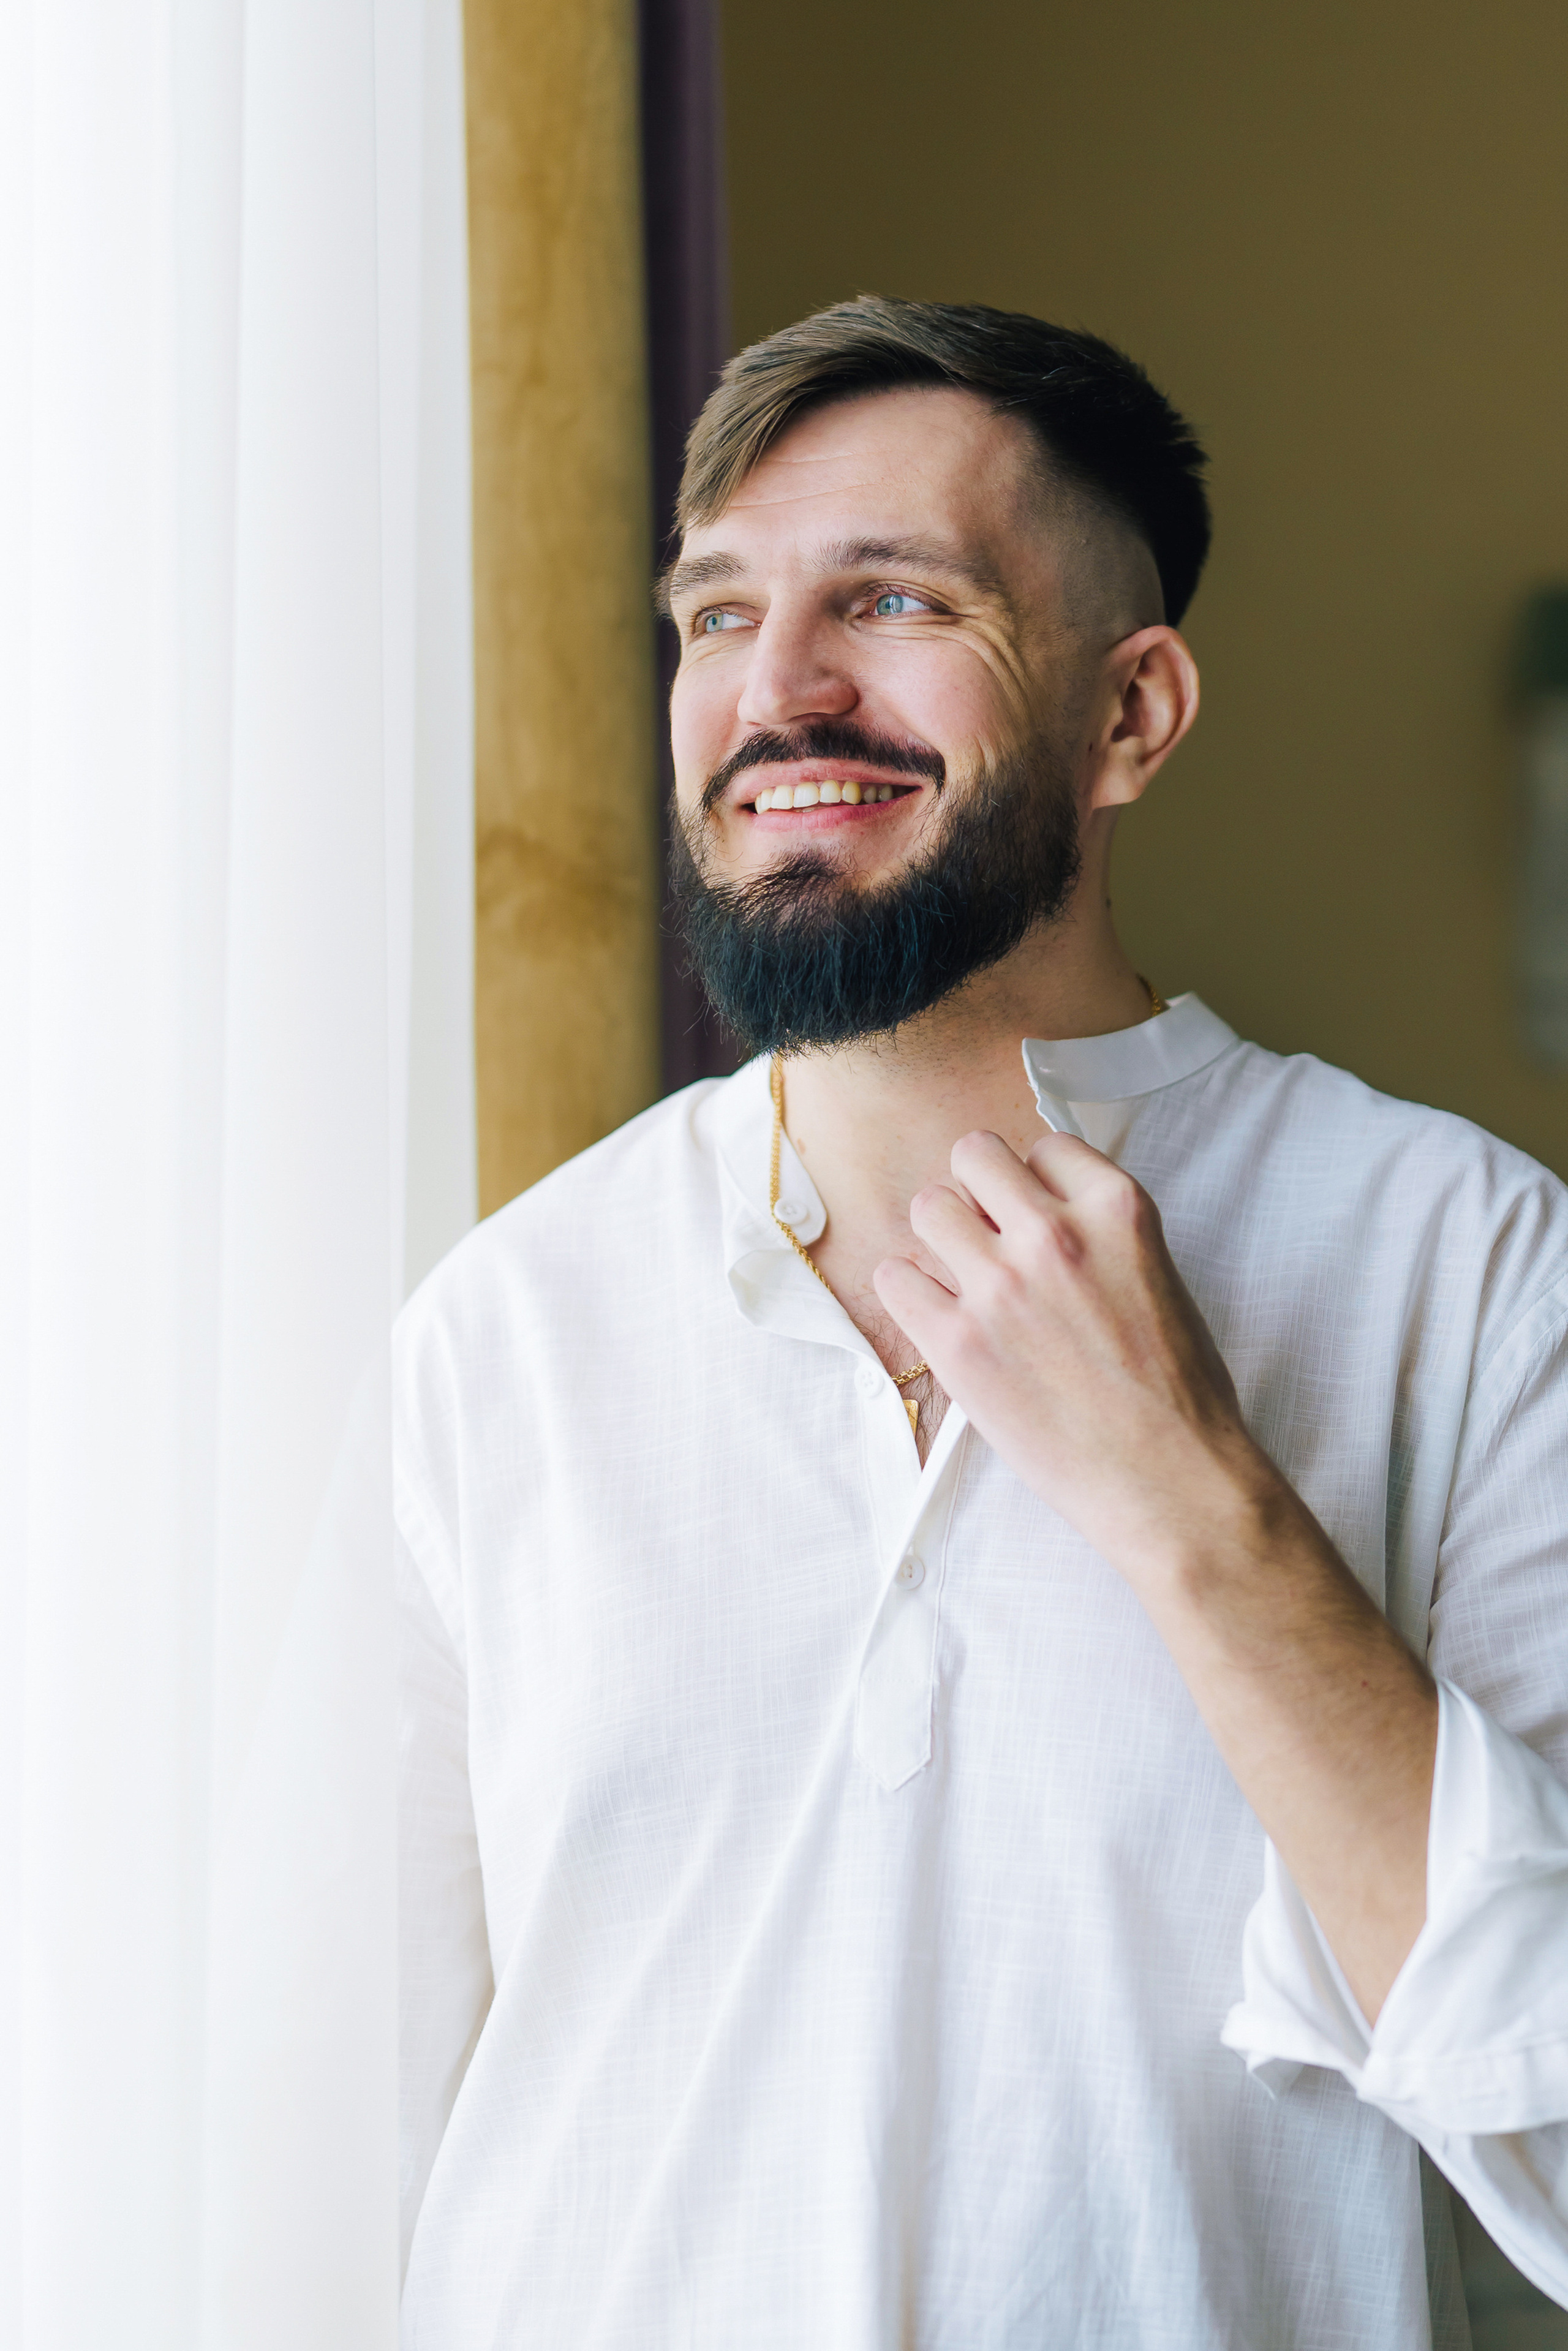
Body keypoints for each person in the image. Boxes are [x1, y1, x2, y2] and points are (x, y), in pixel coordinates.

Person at [396, 297, 1568, 2347]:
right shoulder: (510, 1322)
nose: (777, 691)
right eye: (714, 616)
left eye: (893, 599)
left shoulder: (1469, 1265)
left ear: (1134, 715)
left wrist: (1194, 1503)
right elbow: (355, 2098)